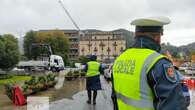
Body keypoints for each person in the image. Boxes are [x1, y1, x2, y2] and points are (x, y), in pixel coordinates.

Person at [112, 17, 187, 110]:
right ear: (157, 37)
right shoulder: (158, 62)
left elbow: (114, 98)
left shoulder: (120, 59)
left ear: (136, 35)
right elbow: (174, 105)